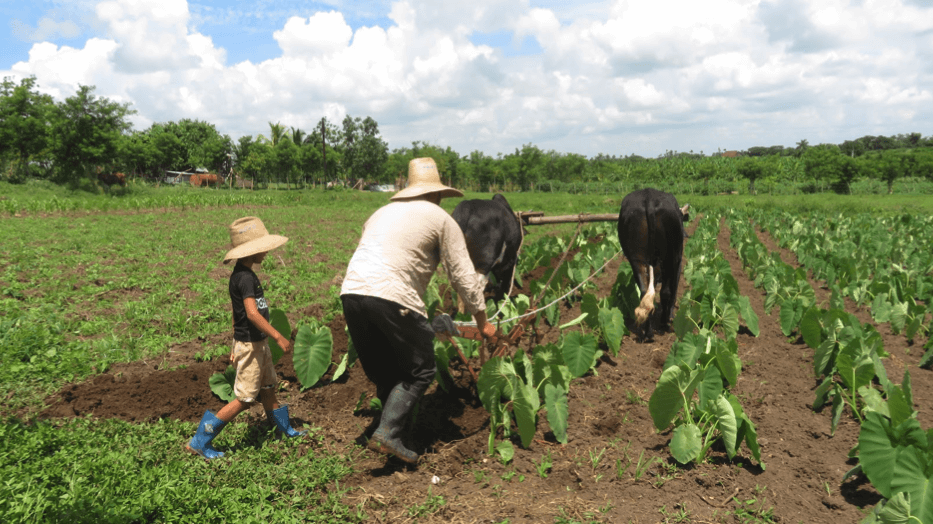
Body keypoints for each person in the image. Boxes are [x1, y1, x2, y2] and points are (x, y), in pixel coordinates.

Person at [341, 157, 497, 465]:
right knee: (421, 369)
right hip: (392, 298)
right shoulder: (441, 219)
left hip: (351, 294)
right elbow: (463, 277)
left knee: (388, 371)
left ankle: (395, 437)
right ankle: (387, 433)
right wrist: (483, 322)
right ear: (438, 194)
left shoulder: (379, 213)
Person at [187, 216, 306, 459]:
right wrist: (278, 336)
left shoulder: (244, 274)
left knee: (269, 388)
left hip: (257, 344)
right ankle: (199, 441)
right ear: (253, 251)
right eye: (263, 248)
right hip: (251, 346)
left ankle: (283, 430)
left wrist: (234, 342)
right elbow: (251, 314)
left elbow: (237, 313)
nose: (267, 252)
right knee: (244, 399)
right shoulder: (244, 278)